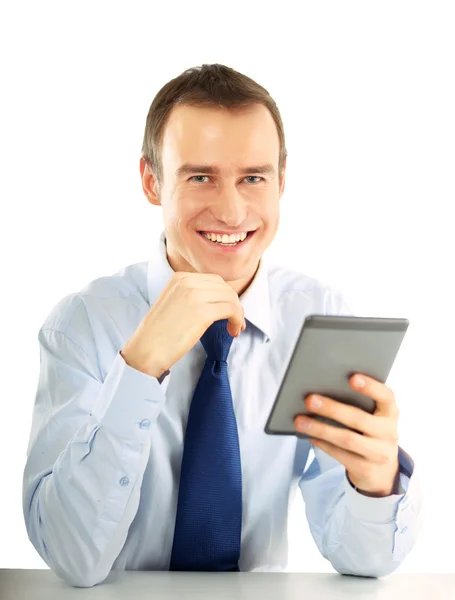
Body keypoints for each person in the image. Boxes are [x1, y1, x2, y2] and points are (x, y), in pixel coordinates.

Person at [22, 63, 421, 588]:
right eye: (200, 177)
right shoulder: (83, 326)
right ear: (151, 181)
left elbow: (361, 560)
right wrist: (140, 367)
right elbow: (73, 558)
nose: (232, 211)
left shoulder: (321, 317)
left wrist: (373, 484)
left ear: (282, 182)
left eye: (254, 177)